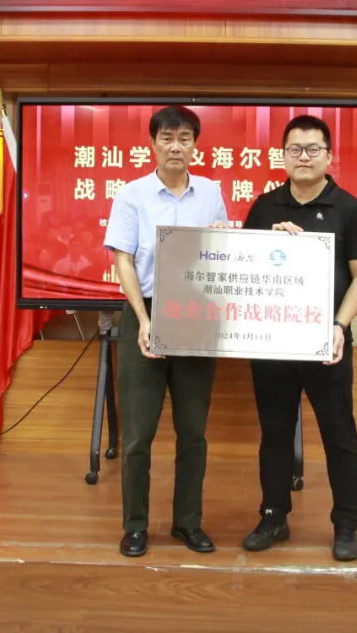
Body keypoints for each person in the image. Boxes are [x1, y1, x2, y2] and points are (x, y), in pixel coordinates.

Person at [240, 114, 357, 562]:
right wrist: (273, 244)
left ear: (329, 156)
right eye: (295, 149)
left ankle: (346, 525)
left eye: (313, 149)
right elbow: (247, 269)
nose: (303, 157)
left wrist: (340, 326)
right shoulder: (264, 207)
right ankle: (273, 516)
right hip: (273, 343)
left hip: (326, 344)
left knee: (339, 435)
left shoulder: (349, 209)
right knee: (275, 434)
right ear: (283, 156)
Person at [103, 105, 229, 558]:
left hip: (196, 313)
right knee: (138, 434)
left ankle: (187, 522)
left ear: (196, 145)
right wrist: (143, 320)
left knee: (193, 432)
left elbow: (220, 253)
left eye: (185, 138)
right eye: (167, 138)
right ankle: (135, 525)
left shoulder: (211, 192)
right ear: (153, 143)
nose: (176, 146)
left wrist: (223, 239)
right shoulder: (132, 194)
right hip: (147, 312)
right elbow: (123, 260)